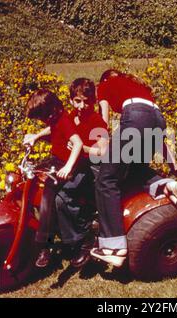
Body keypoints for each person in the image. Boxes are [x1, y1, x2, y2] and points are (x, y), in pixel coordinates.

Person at [90, 69, 177, 267]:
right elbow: (159, 136)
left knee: (106, 179)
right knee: (135, 170)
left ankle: (114, 246)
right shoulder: (139, 88)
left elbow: (102, 118)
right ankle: (168, 185)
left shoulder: (104, 85)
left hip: (135, 119)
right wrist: (173, 166)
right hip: (157, 119)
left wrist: (103, 142)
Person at [23, 89, 83, 268]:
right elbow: (52, 128)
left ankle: (44, 245)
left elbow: (78, 143)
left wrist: (68, 167)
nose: (42, 121)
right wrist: (36, 136)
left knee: (48, 196)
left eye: (42, 117)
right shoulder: (56, 118)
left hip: (66, 164)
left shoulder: (64, 120)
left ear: (50, 110)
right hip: (56, 160)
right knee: (32, 178)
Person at [53, 78, 108, 268]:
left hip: (91, 170)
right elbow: (56, 128)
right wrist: (36, 136)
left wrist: (84, 148)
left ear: (93, 101)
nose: (82, 106)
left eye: (86, 101)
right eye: (78, 101)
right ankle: (58, 238)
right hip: (74, 166)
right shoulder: (72, 116)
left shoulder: (96, 120)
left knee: (63, 196)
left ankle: (84, 239)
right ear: (71, 101)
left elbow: (103, 151)